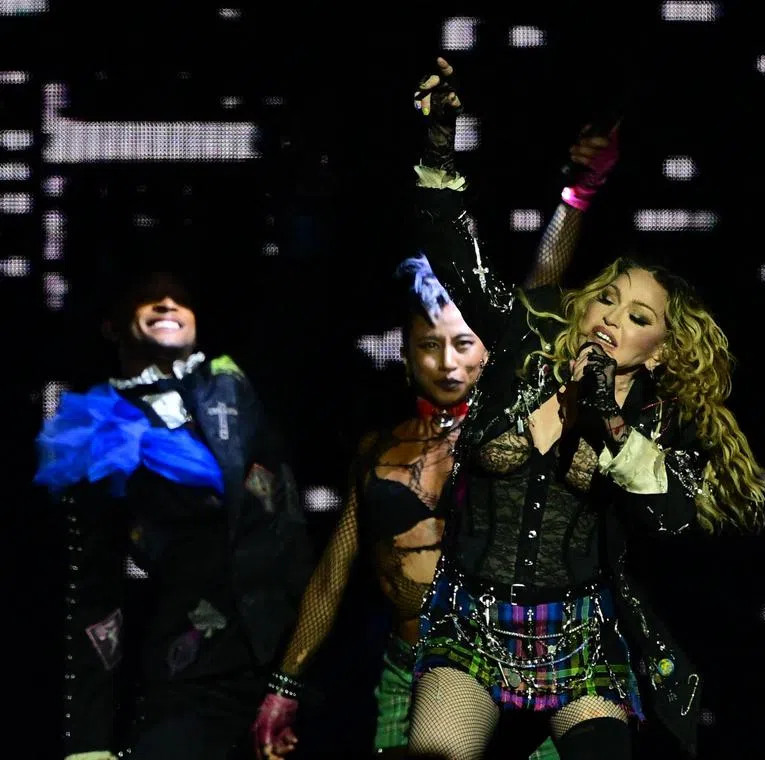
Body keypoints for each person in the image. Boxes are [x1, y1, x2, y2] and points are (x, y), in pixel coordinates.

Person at [406, 57, 765, 760]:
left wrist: (605, 415)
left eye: (638, 316)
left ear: (660, 351)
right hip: (473, 626)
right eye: (606, 297)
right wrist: (438, 143)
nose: (611, 317)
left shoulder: (655, 424)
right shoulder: (522, 347)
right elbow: (453, 248)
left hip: (580, 638)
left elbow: (670, 515)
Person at [253, 74, 621, 759]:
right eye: (431, 346)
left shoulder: (516, 422)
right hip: (415, 676)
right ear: (405, 354)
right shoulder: (380, 450)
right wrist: (283, 685)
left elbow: (542, 285)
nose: (449, 363)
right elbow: (333, 578)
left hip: (532, 671)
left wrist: (578, 193)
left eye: (465, 344)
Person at [36, 269, 312, 760]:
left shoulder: (239, 385)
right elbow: (94, 589)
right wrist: (89, 742)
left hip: (293, 654)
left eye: (179, 298)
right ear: (113, 323)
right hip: (193, 667)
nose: (166, 304)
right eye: (148, 297)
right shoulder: (97, 425)